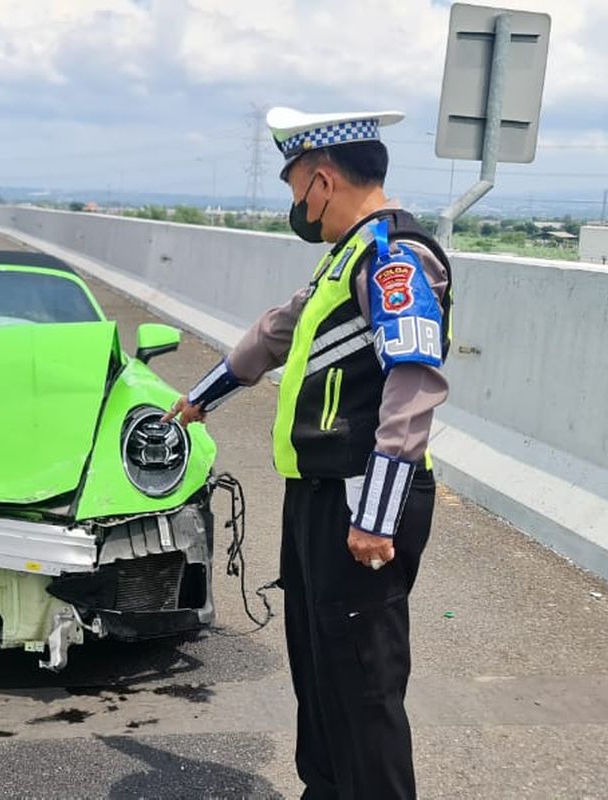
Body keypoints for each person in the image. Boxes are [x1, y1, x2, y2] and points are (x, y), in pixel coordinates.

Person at [165, 107, 453, 799]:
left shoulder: (396, 258)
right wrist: (203, 395)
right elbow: (277, 333)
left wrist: (377, 515)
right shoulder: (348, 256)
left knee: (364, 686)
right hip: (320, 497)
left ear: (322, 179)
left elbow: (413, 380)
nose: (295, 203)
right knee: (320, 671)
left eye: (296, 185)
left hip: (363, 497)